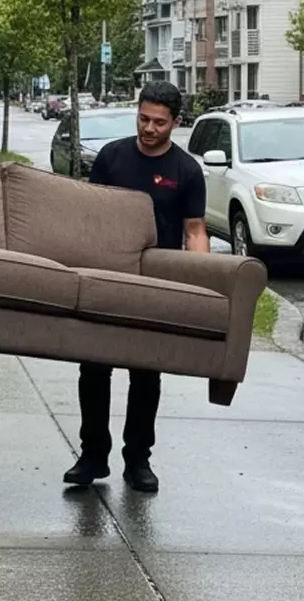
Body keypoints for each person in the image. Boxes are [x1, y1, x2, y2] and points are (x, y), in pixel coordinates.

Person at [62, 79, 208, 493]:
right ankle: (92, 456)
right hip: (107, 277)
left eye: (159, 122)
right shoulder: (111, 157)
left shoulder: (186, 171)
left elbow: (195, 232)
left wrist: (200, 287)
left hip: (156, 283)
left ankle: (138, 460)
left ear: (175, 123)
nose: (148, 128)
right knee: (93, 367)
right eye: (143, 118)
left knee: (145, 374)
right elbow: (90, 216)